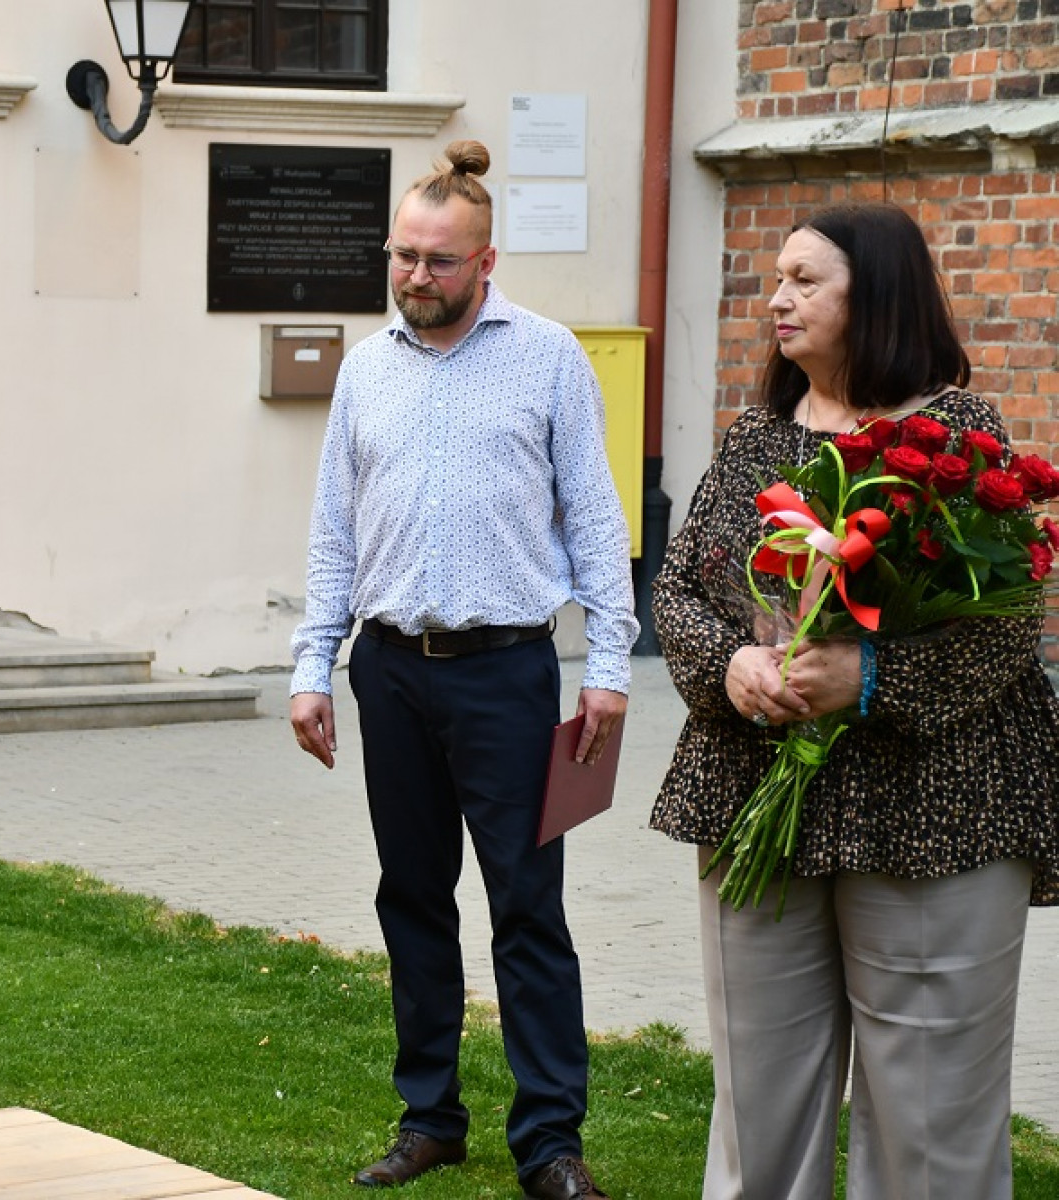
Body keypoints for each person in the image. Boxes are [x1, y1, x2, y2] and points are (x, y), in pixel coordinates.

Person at [651, 202, 1059, 1198]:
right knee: (759, 1109)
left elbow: (1006, 627)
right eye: (775, 278)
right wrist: (730, 668)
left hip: (933, 809)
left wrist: (867, 678)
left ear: (873, 295)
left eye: (803, 280)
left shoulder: (955, 439)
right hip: (760, 796)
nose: (775, 299)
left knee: (928, 1121)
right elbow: (676, 590)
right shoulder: (755, 438)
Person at [288, 140, 635, 1200]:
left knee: (527, 907)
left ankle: (549, 1141)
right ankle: (429, 1117)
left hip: (507, 674)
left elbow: (595, 516)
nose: (415, 276)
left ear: (485, 262)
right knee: (411, 896)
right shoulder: (365, 367)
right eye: (402, 255)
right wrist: (312, 665)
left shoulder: (548, 357)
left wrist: (609, 666)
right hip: (390, 672)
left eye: (438, 261)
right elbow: (333, 530)